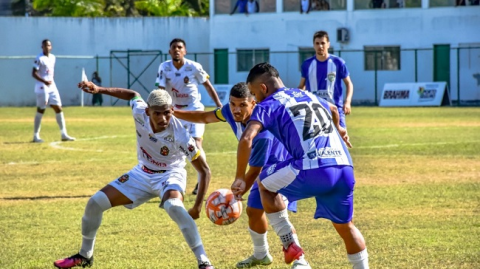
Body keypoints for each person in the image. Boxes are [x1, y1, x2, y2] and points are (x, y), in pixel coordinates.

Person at [53, 82, 215, 269]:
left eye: (167, 112)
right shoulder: (139, 112)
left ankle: (204, 261)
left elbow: (204, 171)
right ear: (148, 112)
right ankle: (85, 255)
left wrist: (196, 207)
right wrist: (99, 90)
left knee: (174, 206)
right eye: (157, 113)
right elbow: (133, 95)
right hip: (142, 173)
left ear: (172, 109)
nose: (163, 118)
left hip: (170, 174)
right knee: (95, 203)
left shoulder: (181, 135)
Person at [232, 62, 368, 269]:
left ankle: (291, 247)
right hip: (344, 166)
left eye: (253, 93)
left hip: (314, 167)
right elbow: (332, 108)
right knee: (346, 226)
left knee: (265, 186)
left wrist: (240, 177)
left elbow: (246, 139)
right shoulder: (307, 95)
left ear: (263, 88)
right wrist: (339, 129)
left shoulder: (268, 105)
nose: (255, 99)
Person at [174, 82, 308, 269]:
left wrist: (238, 191)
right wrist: (174, 113)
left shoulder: (263, 133)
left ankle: (300, 260)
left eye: (242, 105)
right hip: (263, 167)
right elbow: (205, 116)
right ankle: (261, 255)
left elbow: (255, 170)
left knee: (276, 211)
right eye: (233, 104)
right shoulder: (229, 111)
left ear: (253, 103)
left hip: (281, 166)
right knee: (253, 211)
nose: (236, 110)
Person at [155, 38, 222, 195]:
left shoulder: (194, 67)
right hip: (175, 112)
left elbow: (207, 85)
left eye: (180, 47)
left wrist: (219, 104)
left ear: (185, 51)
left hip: (195, 109)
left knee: (197, 143)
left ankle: (201, 180)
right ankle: (170, 182)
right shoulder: (164, 67)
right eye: (174, 47)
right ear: (169, 51)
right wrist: (160, 110)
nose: (177, 50)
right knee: (173, 145)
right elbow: (162, 89)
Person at [298, 30, 353, 128]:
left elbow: (349, 84)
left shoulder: (338, 63)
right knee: (315, 142)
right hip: (314, 110)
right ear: (314, 45)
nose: (320, 46)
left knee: (342, 140)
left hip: (335, 110)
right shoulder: (307, 64)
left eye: (323, 43)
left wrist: (348, 102)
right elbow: (302, 86)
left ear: (328, 44)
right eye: (317, 43)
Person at [32, 39, 75, 143]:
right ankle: (36, 136)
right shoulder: (39, 58)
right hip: (42, 86)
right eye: (45, 45)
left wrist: (50, 81)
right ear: (42, 46)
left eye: (49, 45)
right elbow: (34, 73)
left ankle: (64, 134)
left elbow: (50, 72)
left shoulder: (53, 58)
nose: (47, 47)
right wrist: (44, 81)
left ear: (51, 47)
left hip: (52, 86)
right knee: (41, 109)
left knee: (58, 108)